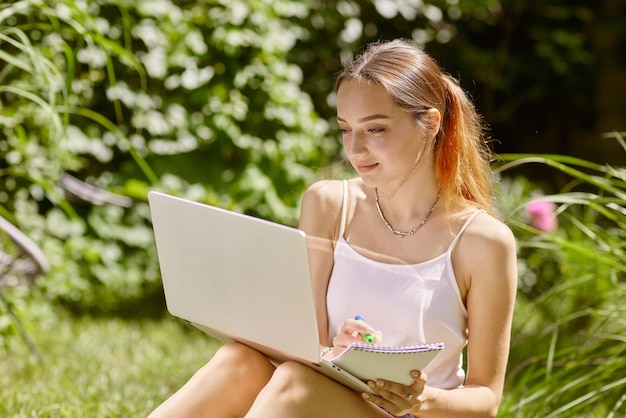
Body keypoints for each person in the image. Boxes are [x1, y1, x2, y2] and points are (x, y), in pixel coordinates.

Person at [148, 38, 517, 418]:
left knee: (296, 384)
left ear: (430, 124)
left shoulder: (483, 242)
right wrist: (334, 354)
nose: (355, 149)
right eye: (345, 129)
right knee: (239, 359)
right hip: (332, 400)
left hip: (414, 414)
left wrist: (422, 399)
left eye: (375, 130)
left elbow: (486, 397)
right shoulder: (328, 205)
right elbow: (305, 345)